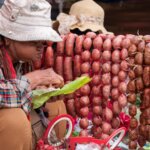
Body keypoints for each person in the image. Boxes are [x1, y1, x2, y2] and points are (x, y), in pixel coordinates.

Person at [0, 0, 64, 149]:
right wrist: (32, 80)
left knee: (55, 106)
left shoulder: (22, 60)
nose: (41, 46)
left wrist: (42, 94)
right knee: (14, 120)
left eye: (42, 40)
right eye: (34, 40)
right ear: (8, 38)